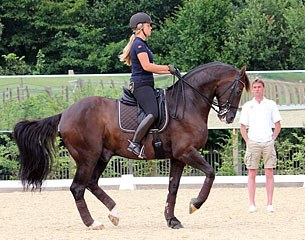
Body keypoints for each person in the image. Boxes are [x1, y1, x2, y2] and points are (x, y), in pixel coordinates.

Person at [119, 12, 177, 158]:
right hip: (141, 85)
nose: (151, 28)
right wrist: (166, 68)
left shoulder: (142, 44)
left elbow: (151, 68)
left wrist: (169, 71)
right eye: (148, 25)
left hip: (146, 84)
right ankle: (135, 143)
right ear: (140, 27)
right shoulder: (138, 45)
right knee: (153, 113)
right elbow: (147, 66)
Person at [239, 78, 282, 213]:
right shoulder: (247, 106)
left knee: (269, 171)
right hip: (253, 142)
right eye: (255, 87)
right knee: (252, 172)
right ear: (252, 89)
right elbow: (242, 126)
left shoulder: (271, 104)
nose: (257, 89)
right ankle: (252, 203)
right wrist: (247, 141)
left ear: (263, 88)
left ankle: (269, 203)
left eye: (259, 87)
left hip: (267, 141)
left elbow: (277, 124)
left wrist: (273, 138)